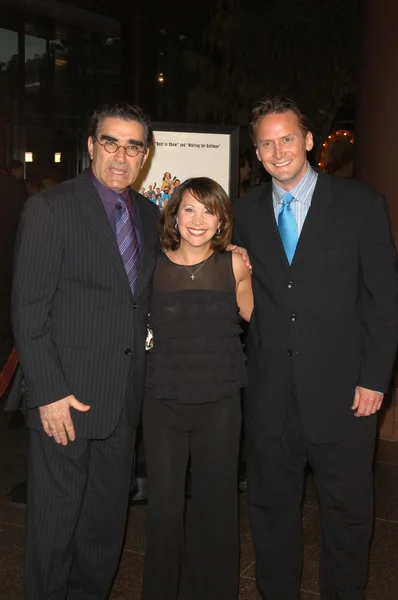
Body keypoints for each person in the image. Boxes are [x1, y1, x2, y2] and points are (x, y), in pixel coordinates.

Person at [233, 96, 398, 600]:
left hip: (345, 395)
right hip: (269, 398)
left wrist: (375, 379)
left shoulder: (360, 204)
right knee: (270, 514)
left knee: (347, 516)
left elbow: (383, 300)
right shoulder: (244, 212)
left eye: (287, 138)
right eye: (266, 142)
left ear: (308, 140)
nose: (277, 150)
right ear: (257, 151)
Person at [5, 102, 160, 599]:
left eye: (133, 146)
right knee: (54, 530)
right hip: (63, 403)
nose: (121, 155)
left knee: (103, 528)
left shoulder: (152, 215)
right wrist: (48, 393)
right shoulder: (51, 207)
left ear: (145, 155)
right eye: (110, 142)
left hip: (122, 401)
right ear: (91, 146)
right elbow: (29, 311)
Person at [141, 177, 253, 600]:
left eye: (209, 210)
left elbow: (263, 322)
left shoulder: (235, 266)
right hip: (163, 404)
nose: (198, 219)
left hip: (221, 405)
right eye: (189, 208)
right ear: (174, 214)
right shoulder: (152, 267)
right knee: (165, 513)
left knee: (217, 508)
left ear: (222, 218)